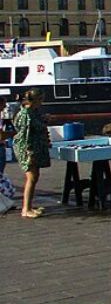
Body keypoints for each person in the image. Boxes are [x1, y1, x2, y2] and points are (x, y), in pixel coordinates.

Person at [13, 90, 50, 218]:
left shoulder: (34, 112)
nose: (42, 102)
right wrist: (29, 152)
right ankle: (26, 209)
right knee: (31, 177)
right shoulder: (26, 115)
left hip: (35, 146)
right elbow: (25, 135)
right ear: (34, 100)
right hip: (28, 148)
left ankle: (29, 206)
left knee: (35, 176)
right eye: (40, 99)